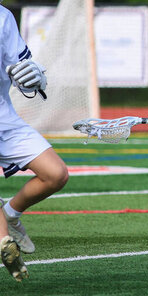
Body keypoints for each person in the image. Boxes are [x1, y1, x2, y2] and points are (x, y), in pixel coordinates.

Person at [0, 3, 69, 281]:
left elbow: (18, 69)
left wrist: (33, 78)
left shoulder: (2, 16)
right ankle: (5, 244)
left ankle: (11, 213)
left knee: (56, 175)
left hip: (4, 118)